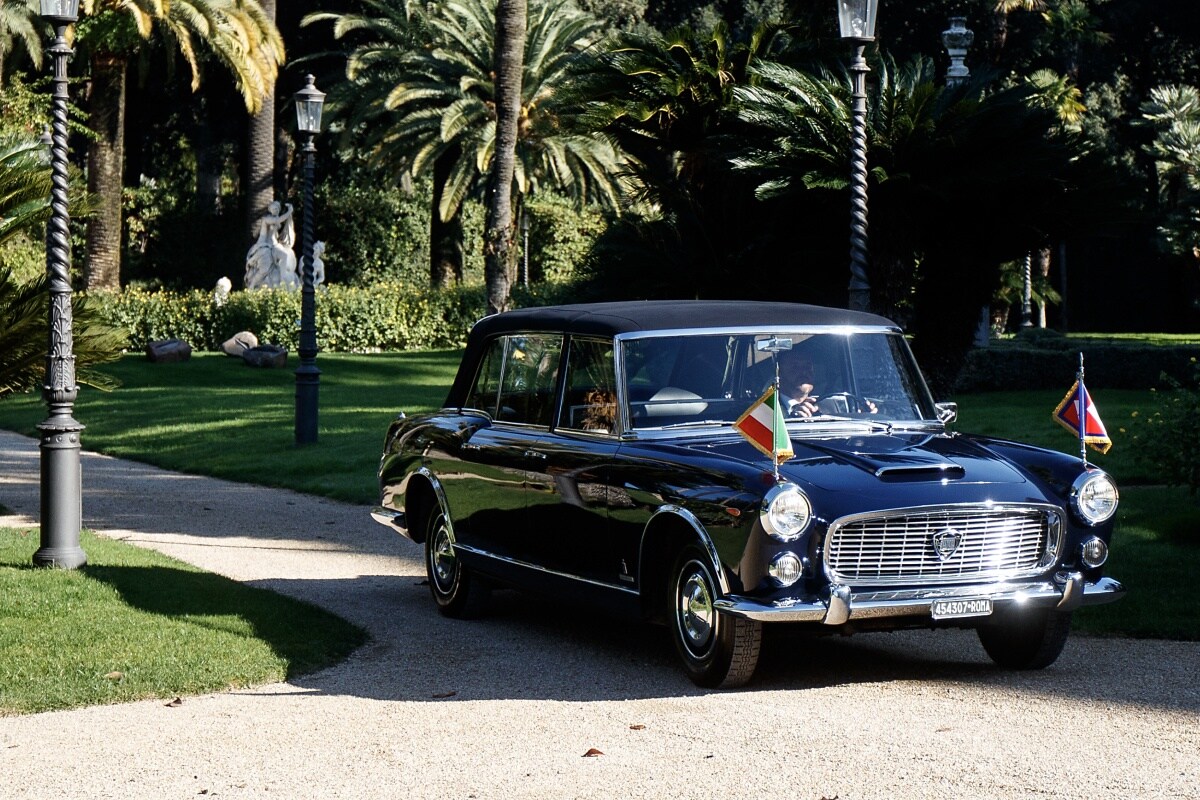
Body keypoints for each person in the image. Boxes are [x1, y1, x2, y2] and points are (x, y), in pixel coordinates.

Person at [777, 344, 876, 417]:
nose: (804, 372)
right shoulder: (769, 409)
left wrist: (863, 416)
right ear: (779, 373)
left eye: (808, 366)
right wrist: (792, 420)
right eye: (795, 367)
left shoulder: (830, 405)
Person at [244, 201, 298, 289]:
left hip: (275, 245)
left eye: (276, 209)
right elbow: (278, 220)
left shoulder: (277, 218)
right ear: (270, 210)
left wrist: (289, 216)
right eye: (273, 209)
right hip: (265, 246)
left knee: (284, 256)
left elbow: (279, 224)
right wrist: (289, 212)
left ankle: (283, 277)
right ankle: (252, 285)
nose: (275, 210)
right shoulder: (266, 219)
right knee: (264, 269)